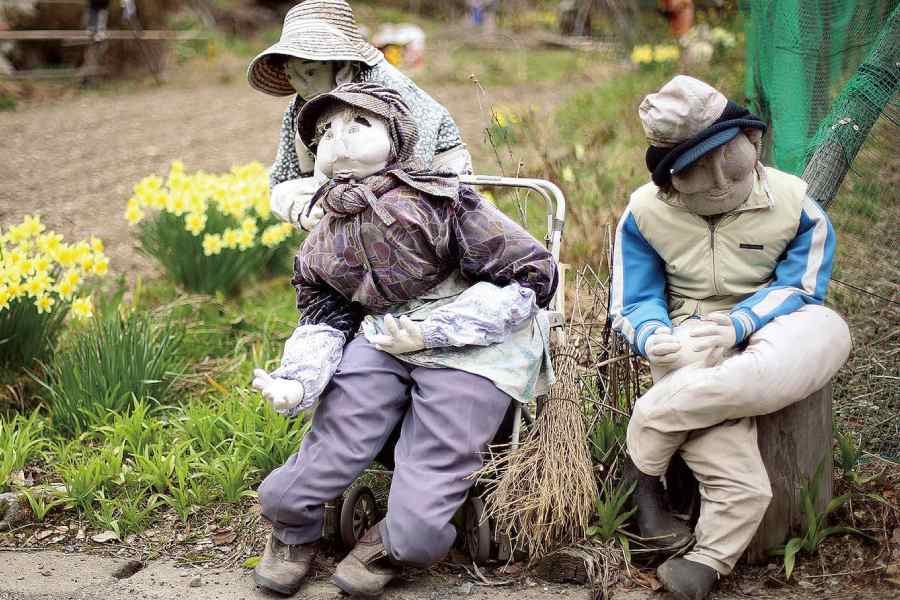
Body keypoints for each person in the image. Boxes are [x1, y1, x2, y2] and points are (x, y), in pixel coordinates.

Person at [250, 83, 557, 597]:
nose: (338, 139)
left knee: (433, 478)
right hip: (385, 333)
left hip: (472, 340)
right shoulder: (324, 235)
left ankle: (398, 537)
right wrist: (298, 381)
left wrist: (436, 329)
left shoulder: (443, 201)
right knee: (340, 424)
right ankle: (291, 522)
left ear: (397, 138)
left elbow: (530, 274)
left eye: (358, 125)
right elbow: (324, 315)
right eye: (325, 131)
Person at [610, 75, 851, 600]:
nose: (719, 182)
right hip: (691, 330)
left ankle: (644, 445)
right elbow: (632, 299)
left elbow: (803, 285)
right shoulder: (644, 214)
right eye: (699, 171)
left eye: (732, 166)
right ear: (670, 178)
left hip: (781, 322)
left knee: (830, 331)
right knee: (741, 481)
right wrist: (652, 336)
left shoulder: (796, 202)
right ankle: (707, 560)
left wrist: (743, 322)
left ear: (755, 145)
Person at [247, 0, 472, 231]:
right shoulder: (299, 108)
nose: (302, 85)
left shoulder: (386, 86)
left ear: (341, 64)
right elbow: (283, 177)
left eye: (310, 71)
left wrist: (360, 196)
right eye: (292, 75)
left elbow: (416, 161)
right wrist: (302, 209)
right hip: (347, 183)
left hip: (427, 178)